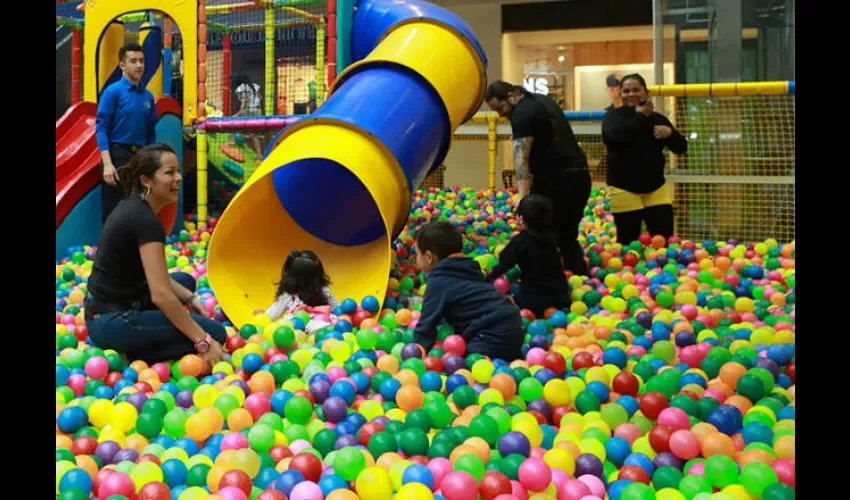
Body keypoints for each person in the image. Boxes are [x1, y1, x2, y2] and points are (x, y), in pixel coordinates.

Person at [84, 143, 228, 367]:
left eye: (178, 171)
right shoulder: (145, 221)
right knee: (217, 332)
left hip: (100, 311)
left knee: (186, 283)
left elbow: (155, 278)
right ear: (146, 180)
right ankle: (131, 355)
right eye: (169, 173)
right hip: (114, 322)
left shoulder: (132, 207)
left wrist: (191, 300)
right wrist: (204, 340)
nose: (179, 178)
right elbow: (160, 294)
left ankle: (139, 341)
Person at [485, 80, 592, 276]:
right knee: (567, 235)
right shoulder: (542, 101)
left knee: (540, 234)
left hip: (556, 180)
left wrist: (523, 197)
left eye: (500, 108)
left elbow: (521, 159)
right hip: (580, 176)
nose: (500, 115)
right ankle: (578, 275)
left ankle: (544, 280)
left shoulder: (522, 114)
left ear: (511, 96)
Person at [412, 221, 525, 361]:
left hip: (491, 332)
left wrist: (415, 352)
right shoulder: (470, 267)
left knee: (468, 362)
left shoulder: (439, 280)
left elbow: (427, 323)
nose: (416, 260)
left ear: (429, 257)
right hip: (514, 323)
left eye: (417, 254)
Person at [601, 73, 688, 246]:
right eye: (626, 91)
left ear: (646, 92)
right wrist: (640, 116)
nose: (631, 94)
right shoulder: (613, 116)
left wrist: (671, 134)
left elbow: (681, 148)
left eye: (636, 90)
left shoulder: (658, 119)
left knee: (663, 241)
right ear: (620, 94)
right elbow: (617, 136)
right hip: (624, 189)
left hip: (656, 188)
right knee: (628, 242)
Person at [95, 42, 159, 223]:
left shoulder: (147, 96)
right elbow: (101, 127)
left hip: (141, 157)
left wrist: (151, 162)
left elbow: (151, 133)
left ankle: (134, 250)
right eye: (133, 61)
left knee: (139, 207)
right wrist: (108, 164)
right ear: (122, 65)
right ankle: (110, 250)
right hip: (118, 156)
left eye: (141, 61)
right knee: (115, 210)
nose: (139, 65)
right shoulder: (112, 92)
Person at [486, 194, 570, 316]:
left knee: (509, 298)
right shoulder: (553, 236)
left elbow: (504, 264)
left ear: (521, 218)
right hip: (561, 296)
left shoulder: (520, 242)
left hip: (534, 300)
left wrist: (487, 278)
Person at [265, 250, 340, 321]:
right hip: (313, 327)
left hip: (298, 329)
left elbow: (275, 311)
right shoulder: (321, 290)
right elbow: (338, 308)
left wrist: (265, 316)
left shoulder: (289, 295)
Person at [230, 75, 264, 164]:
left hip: (249, 110)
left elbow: (244, 100)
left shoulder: (242, 87)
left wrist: (240, 112)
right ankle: (260, 154)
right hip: (258, 110)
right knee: (254, 134)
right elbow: (261, 98)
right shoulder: (255, 86)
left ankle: (232, 141)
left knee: (231, 121)